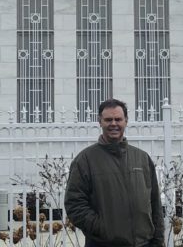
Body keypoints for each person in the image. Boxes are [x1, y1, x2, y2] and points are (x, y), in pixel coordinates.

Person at [64, 98, 164, 247]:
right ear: (100, 121)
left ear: (126, 121)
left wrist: (158, 240)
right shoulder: (85, 160)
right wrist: (103, 229)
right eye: (108, 119)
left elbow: (155, 203)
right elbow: (74, 204)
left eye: (118, 119)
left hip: (145, 243)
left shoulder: (142, 158)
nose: (113, 124)